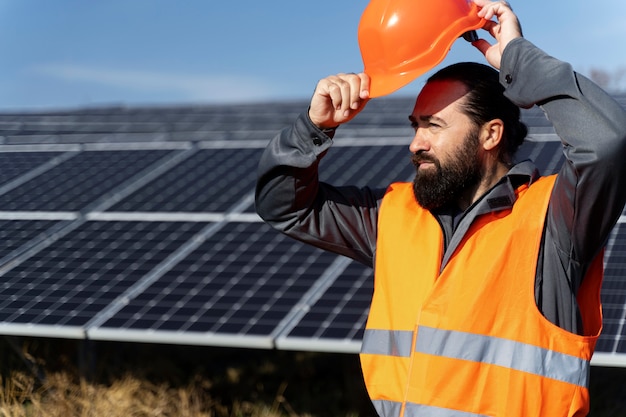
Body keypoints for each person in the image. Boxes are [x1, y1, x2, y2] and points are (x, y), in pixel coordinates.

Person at [255, 0, 626, 415]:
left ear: (491, 135)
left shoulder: (555, 222)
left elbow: (606, 143)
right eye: (416, 126)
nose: (416, 144)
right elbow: (283, 206)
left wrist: (519, 60)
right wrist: (313, 129)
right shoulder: (392, 215)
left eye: (433, 126)